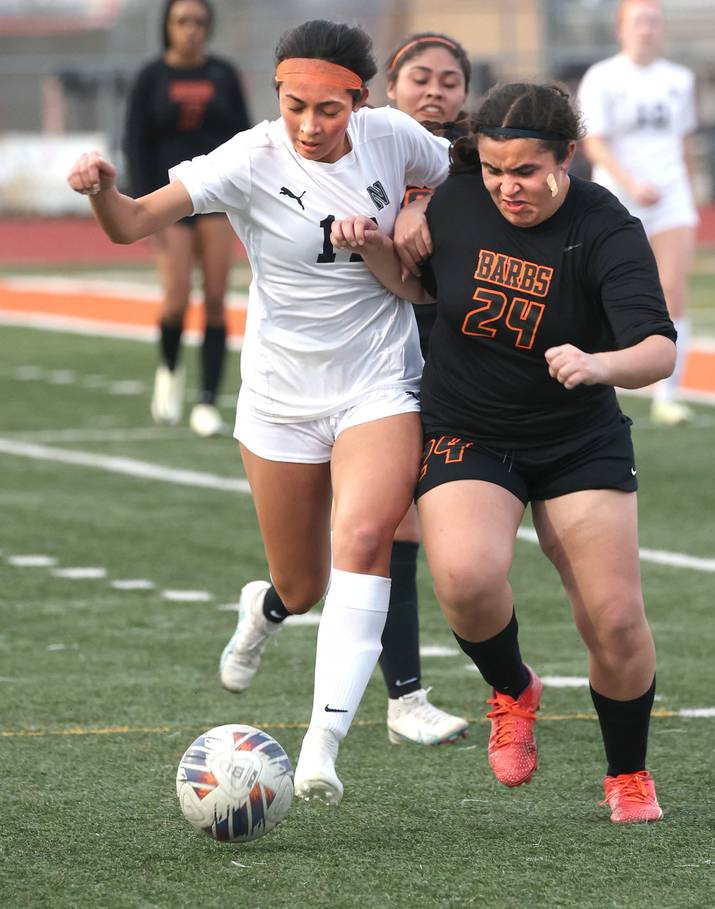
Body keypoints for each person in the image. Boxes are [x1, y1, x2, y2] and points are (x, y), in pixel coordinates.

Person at [69, 19, 452, 805]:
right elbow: (134, 223)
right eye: (294, 105)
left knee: (367, 534)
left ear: (362, 101)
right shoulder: (247, 157)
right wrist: (104, 189)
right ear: (276, 94)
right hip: (280, 395)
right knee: (303, 583)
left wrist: (415, 204)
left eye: (329, 110)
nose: (310, 125)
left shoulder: (394, 136)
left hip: (378, 380)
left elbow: (450, 166)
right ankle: (266, 605)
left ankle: (322, 743)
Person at [354, 80, 676, 823]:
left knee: (616, 618)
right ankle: (512, 687)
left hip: (577, 438)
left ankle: (627, 773)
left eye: (525, 171)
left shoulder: (605, 225)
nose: (507, 187)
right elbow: (417, 290)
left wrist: (600, 364)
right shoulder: (455, 196)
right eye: (495, 169)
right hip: (471, 425)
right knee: (465, 578)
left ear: (566, 155)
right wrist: (382, 241)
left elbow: (658, 348)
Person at [361, 32, 474, 747]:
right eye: (420, 79)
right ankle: (405, 699)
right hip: (373, 355)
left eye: (451, 81)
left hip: (465, 355)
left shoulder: (482, 161)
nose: (435, 91)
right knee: (388, 526)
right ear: (390, 89)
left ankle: (275, 604)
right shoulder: (360, 149)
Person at [123, 0, 250, 436]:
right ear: (167, 26)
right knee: (176, 299)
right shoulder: (151, 77)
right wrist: (144, 204)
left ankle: (208, 402)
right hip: (169, 199)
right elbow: (135, 139)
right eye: (181, 21)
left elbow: (243, 137)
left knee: (216, 298)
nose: (190, 29)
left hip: (215, 199)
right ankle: (169, 371)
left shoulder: (223, 75)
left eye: (198, 21)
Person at [577, 0, 697, 426]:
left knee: (671, 287)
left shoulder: (679, 79)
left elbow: (684, 141)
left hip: (671, 199)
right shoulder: (603, 77)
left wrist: (686, 185)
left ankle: (669, 392)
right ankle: (601, 377)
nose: (646, 29)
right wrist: (631, 185)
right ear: (620, 28)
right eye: (638, 21)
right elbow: (596, 143)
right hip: (618, 198)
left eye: (653, 21)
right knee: (601, 289)